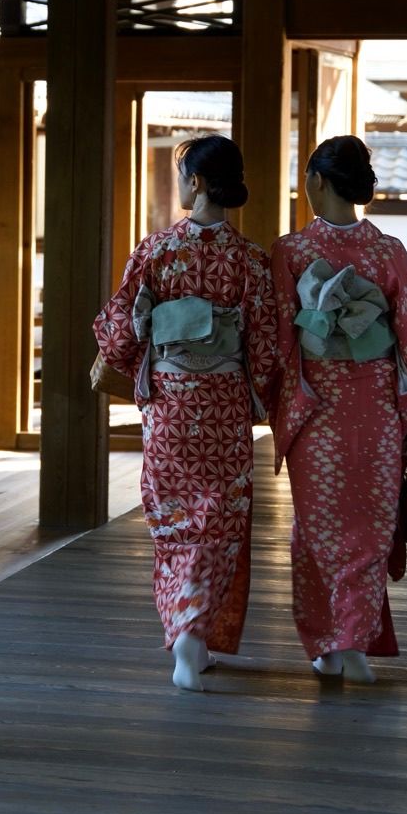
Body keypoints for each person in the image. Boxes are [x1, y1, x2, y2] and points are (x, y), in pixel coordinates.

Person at [270, 135, 407, 685]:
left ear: (318, 182)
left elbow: (282, 341)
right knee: (369, 528)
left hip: (316, 413)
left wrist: (265, 399)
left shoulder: (292, 252)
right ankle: (353, 642)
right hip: (376, 407)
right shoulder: (387, 251)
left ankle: (330, 645)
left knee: (317, 528)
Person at [94, 136, 280, 692]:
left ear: (196, 182)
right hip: (222, 406)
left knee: (174, 517)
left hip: (171, 406)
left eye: (181, 174)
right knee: (218, 518)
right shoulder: (250, 261)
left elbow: (119, 327)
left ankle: (185, 634)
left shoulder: (155, 251)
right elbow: (266, 347)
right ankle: (193, 640)